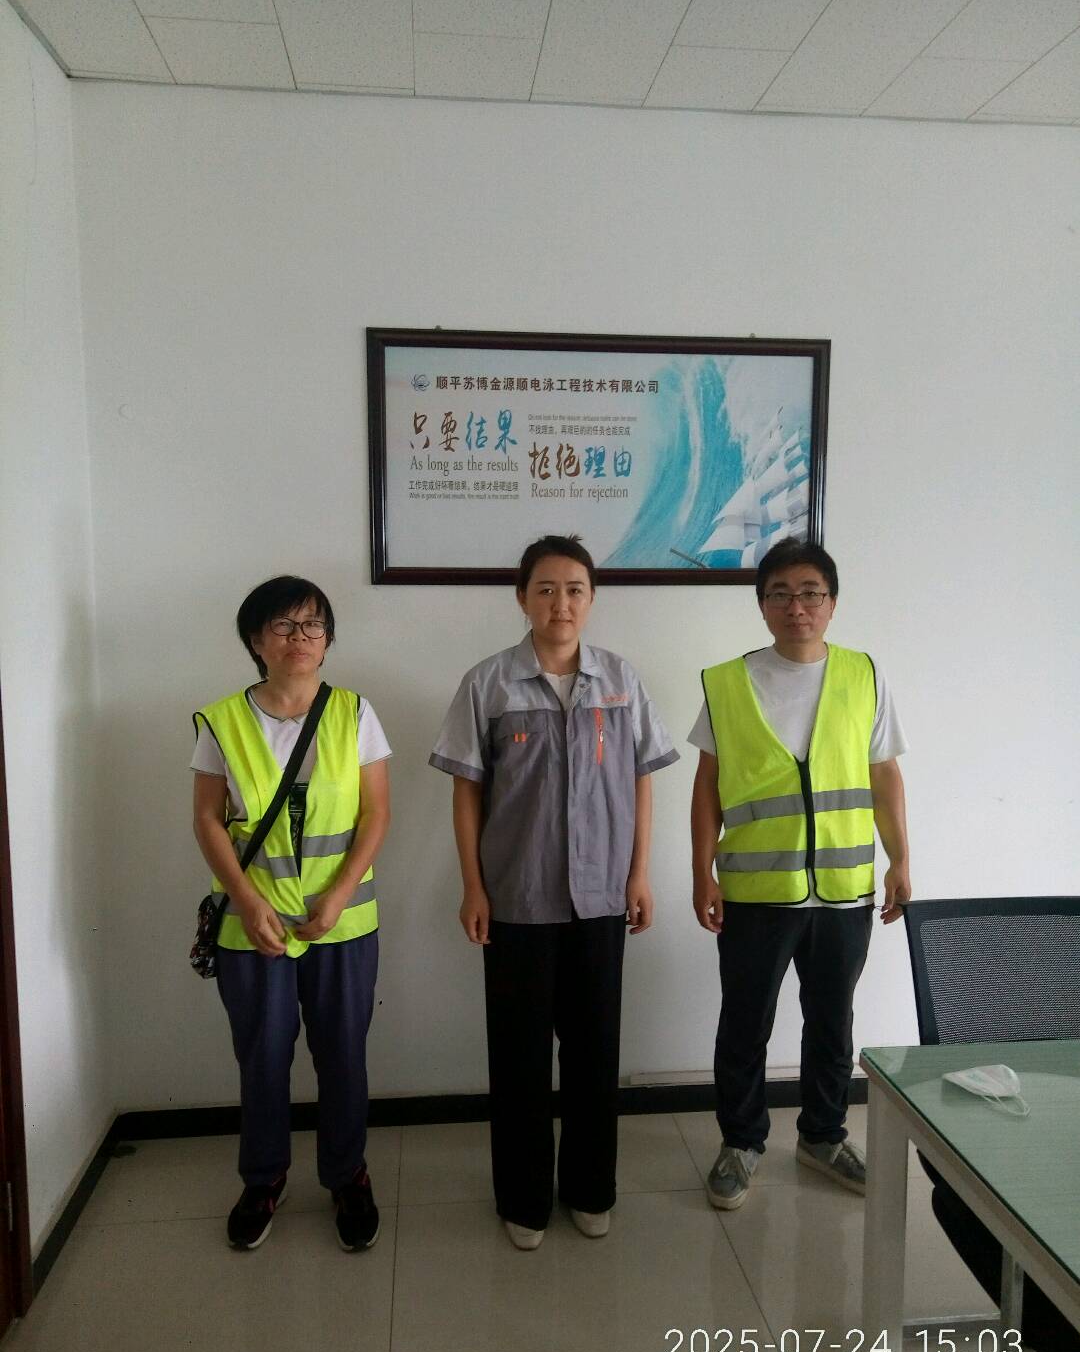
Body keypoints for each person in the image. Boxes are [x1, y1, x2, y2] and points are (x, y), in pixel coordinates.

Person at [429, 535, 678, 1250]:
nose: (560, 602)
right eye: (545, 588)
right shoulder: (488, 684)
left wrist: (638, 874)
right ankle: (524, 1199)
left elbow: (642, 783)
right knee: (520, 1060)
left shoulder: (621, 681)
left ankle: (591, 1189)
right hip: (517, 898)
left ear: (591, 599)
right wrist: (473, 886)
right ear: (522, 598)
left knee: (595, 1054)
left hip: (601, 898)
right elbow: (467, 792)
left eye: (574, 589)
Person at [689, 536, 910, 1210]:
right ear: (762, 605)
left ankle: (823, 1136)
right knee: (745, 1023)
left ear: (832, 603)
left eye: (811, 592)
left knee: (832, 1022)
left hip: (844, 891)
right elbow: (707, 788)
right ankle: (741, 1142)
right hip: (757, 892)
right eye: (780, 594)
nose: (797, 606)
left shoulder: (864, 675)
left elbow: (883, 775)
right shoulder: (727, 683)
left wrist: (901, 858)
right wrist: (701, 872)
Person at [191, 576, 391, 1251]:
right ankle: (263, 1179)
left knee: (343, 1055)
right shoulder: (221, 721)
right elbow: (208, 821)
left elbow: (376, 814)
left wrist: (337, 895)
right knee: (262, 1057)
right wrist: (248, 903)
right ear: (256, 639)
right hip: (254, 925)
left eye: (312, 625)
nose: (299, 638)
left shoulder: (355, 713)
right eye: (283, 625)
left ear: (327, 639)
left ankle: (348, 1175)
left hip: (344, 922)